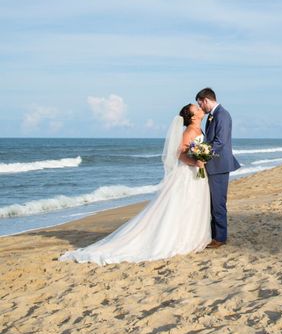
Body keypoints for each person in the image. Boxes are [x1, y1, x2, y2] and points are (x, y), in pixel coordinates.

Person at [59, 104, 211, 265]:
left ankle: (192, 236)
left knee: (193, 204)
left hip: (196, 173)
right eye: (197, 109)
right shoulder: (188, 132)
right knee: (183, 204)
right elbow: (178, 153)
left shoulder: (199, 130)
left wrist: (201, 160)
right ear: (193, 117)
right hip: (187, 173)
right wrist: (196, 162)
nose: (201, 110)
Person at [195, 88, 241, 248]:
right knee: (213, 202)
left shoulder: (222, 115)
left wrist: (201, 153)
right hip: (214, 164)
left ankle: (220, 238)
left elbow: (220, 142)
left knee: (218, 202)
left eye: (200, 104)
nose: (201, 108)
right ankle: (215, 235)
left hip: (219, 165)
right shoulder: (214, 115)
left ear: (206, 100)